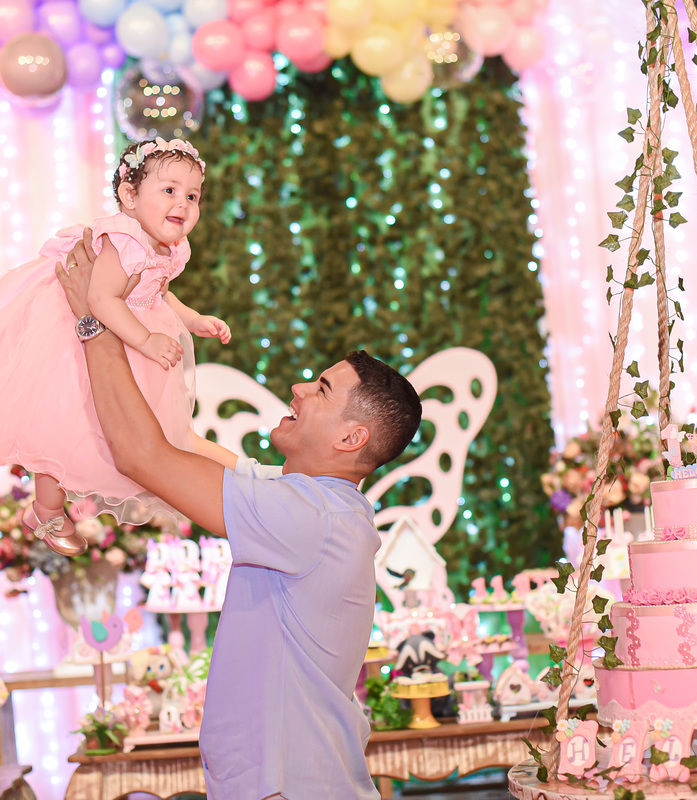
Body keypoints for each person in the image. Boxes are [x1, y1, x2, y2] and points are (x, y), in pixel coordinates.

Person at [56, 229, 422, 800]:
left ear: (352, 438)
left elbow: (143, 456)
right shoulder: (305, 500)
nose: (298, 388)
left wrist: (93, 321)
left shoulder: (309, 514)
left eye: (321, 389)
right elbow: (182, 448)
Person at [0, 138, 230, 556]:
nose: (183, 204)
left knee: (118, 431)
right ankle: (46, 510)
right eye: (169, 190)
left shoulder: (170, 249)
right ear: (129, 195)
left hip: (126, 338)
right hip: (86, 336)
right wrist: (145, 340)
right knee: (64, 424)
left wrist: (192, 320)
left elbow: (158, 294)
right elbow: (100, 299)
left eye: (192, 196)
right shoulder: (123, 240)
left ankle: (54, 507)